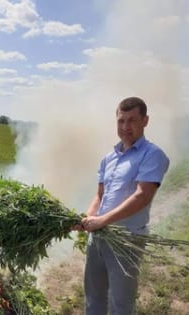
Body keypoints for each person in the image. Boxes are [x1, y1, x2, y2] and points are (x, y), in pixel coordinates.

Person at [78, 96, 169, 315]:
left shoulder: (153, 155)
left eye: (132, 120)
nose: (125, 127)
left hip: (126, 241)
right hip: (99, 238)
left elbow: (142, 196)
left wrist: (101, 221)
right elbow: (100, 196)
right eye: (121, 121)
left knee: (121, 303)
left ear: (145, 121)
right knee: (93, 297)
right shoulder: (108, 158)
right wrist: (86, 219)